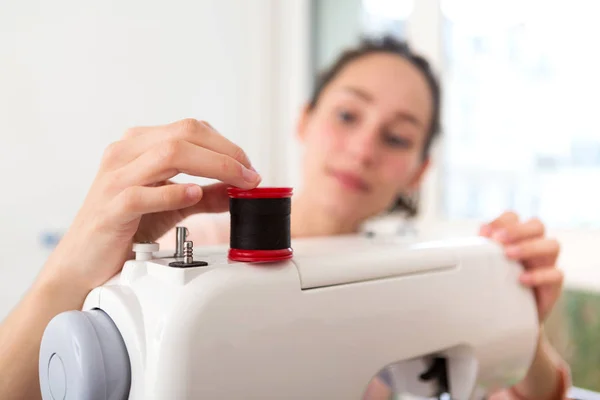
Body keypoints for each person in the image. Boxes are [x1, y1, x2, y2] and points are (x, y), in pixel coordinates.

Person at [0, 36, 569, 399]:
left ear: (418, 172)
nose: (364, 147)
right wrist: (71, 271)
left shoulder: (429, 273)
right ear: (304, 120)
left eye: (396, 137)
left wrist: (519, 318)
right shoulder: (177, 245)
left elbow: (526, 390)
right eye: (348, 114)